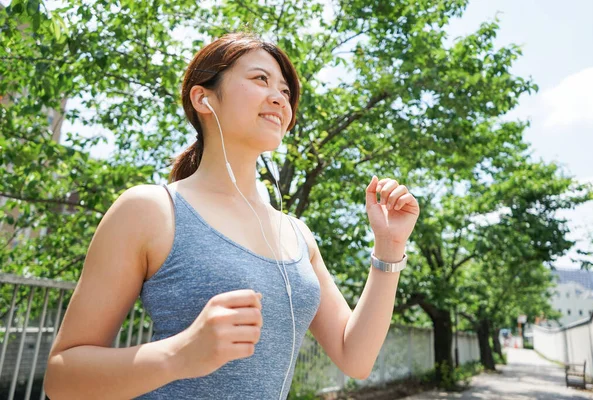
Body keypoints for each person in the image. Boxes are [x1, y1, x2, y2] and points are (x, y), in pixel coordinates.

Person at [43, 32, 420, 399]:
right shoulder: (150, 210)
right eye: (261, 79)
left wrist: (389, 248)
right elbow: (62, 379)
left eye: (286, 92)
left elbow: (355, 358)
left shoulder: (297, 234)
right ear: (204, 99)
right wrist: (181, 354)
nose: (280, 99)